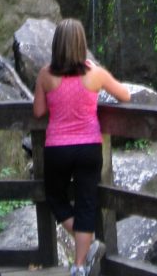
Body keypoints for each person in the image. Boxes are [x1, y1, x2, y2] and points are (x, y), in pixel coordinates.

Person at [33, 19, 131, 276]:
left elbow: (39, 111)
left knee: (55, 198)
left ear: (57, 45)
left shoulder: (45, 74)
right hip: (89, 146)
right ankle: (78, 266)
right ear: (81, 44)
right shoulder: (95, 73)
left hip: (58, 148)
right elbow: (125, 95)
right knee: (87, 203)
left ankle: (83, 244)